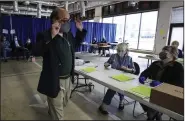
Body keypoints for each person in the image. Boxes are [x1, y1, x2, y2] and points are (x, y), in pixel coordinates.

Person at [37, 7, 87, 120]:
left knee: (64, 103)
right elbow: (37, 51)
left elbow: (75, 45)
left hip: (68, 79)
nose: (67, 23)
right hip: (54, 80)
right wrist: (51, 36)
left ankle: (51, 107)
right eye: (64, 20)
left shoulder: (67, 35)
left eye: (68, 20)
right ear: (55, 19)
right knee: (58, 111)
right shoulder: (45, 35)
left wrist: (80, 30)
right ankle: (53, 108)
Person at [139, 46, 184, 120]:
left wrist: (162, 85)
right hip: (151, 89)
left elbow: (179, 84)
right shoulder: (156, 63)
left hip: (167, 93)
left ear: (172, 54)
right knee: (139, 97)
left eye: (165, 52)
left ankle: (151, 115)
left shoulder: (178, 67)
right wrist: (143, 76)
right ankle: (156, 113)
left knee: (153, 105)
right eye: (162, 51)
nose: (162, 53)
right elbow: (145, 72)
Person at [99, 43, 135, 114]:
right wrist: (106, 65)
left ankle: (121, 101)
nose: (120, 52)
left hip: (124, 79)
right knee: (112, 89)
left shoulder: (129, 58)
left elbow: (134, 70)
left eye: (122, 51)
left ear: (126, 51)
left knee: (121, 87)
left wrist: (127, 69)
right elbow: (106, 63)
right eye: (118, 50)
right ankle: (103, 106)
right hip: (113, 77)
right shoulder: (113, 56)